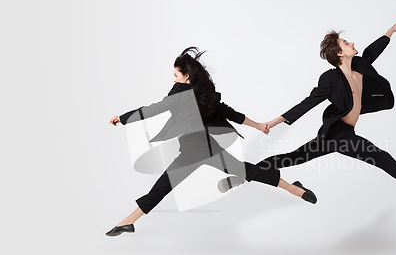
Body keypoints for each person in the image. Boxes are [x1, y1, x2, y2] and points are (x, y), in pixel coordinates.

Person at [218, 22, 396, 203]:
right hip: (338, 134)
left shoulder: (360, 66)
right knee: (382, 158)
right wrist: (274, 121)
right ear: (339, 53)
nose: (353, 43)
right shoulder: (330, 79)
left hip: (338, 134)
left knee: (291, 158)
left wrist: (389, 33)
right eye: (347, 43)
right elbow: (309, 101)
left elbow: (371, 53)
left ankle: (244, 174)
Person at [106, 47, 316, 237]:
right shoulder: (202, 95)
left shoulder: (182, 93)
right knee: (244, 171)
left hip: (196, 150)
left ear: (186, 76)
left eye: (175, 75)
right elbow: (231, 114)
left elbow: (153, 109)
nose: (173, 80)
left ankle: (128, 221)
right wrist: (259, 126)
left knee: (163, 186)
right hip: (200, 148)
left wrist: (124, 118)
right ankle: (294, 188)